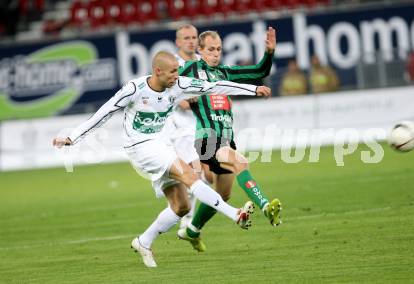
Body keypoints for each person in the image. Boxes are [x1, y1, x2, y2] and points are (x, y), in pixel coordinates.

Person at [52, 51, 272, 268]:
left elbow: (214, 86)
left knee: (181, 206)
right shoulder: (134, 90)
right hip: (139, 147)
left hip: (161, 143)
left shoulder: (178, 85)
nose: (177, 76)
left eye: (177, 71)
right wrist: (72, 137)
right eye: (172, 72)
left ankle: (143, 242)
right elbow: (104, 111)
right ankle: (235, 214)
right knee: (189, 175)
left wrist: (253, 89)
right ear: (157, 71)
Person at [177, 28, 282, 252]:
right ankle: (265, 207)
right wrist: (183, 94)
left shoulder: (225, 72)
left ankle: (192, 230)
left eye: (219, 49)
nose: (216, 54)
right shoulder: (190, 69)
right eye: (211, 50)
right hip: (207, 139)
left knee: (223, 194)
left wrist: (269, 52)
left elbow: (259, 71)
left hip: (226, 139)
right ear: (200, 51)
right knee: (241, 162)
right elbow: (169, 82)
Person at [170, 24, 214, 230]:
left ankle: (184, 204)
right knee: (195, 173)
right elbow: (170, 94)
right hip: (182, 128)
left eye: (194, 37)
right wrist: (187, 101)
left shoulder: (202, 62)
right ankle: (187, 220)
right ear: (178, 42)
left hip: (203, 123)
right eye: (186, 38)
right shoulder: (172, 64)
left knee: (211, 176)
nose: (191, 41)